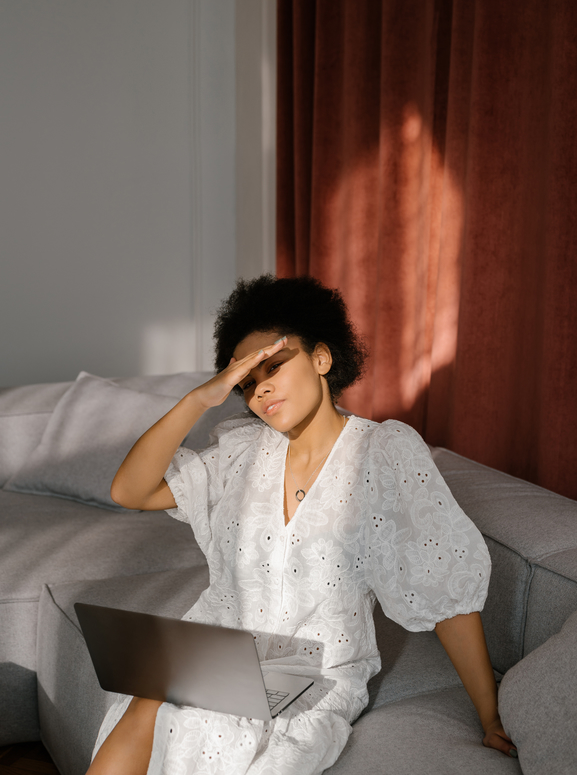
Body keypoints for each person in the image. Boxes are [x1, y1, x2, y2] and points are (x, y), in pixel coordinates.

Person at [87, 275, 516, 774]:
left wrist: (490, 715)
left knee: (173, 709)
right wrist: (198, 400)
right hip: (214, 647)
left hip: (312, 670)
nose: (260, 387)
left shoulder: (382, 452)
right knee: (153, 698)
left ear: (321, 359)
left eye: (272, 366)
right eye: (245, 382)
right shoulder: (242, 452)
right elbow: (129, 491)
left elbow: (445, 588)